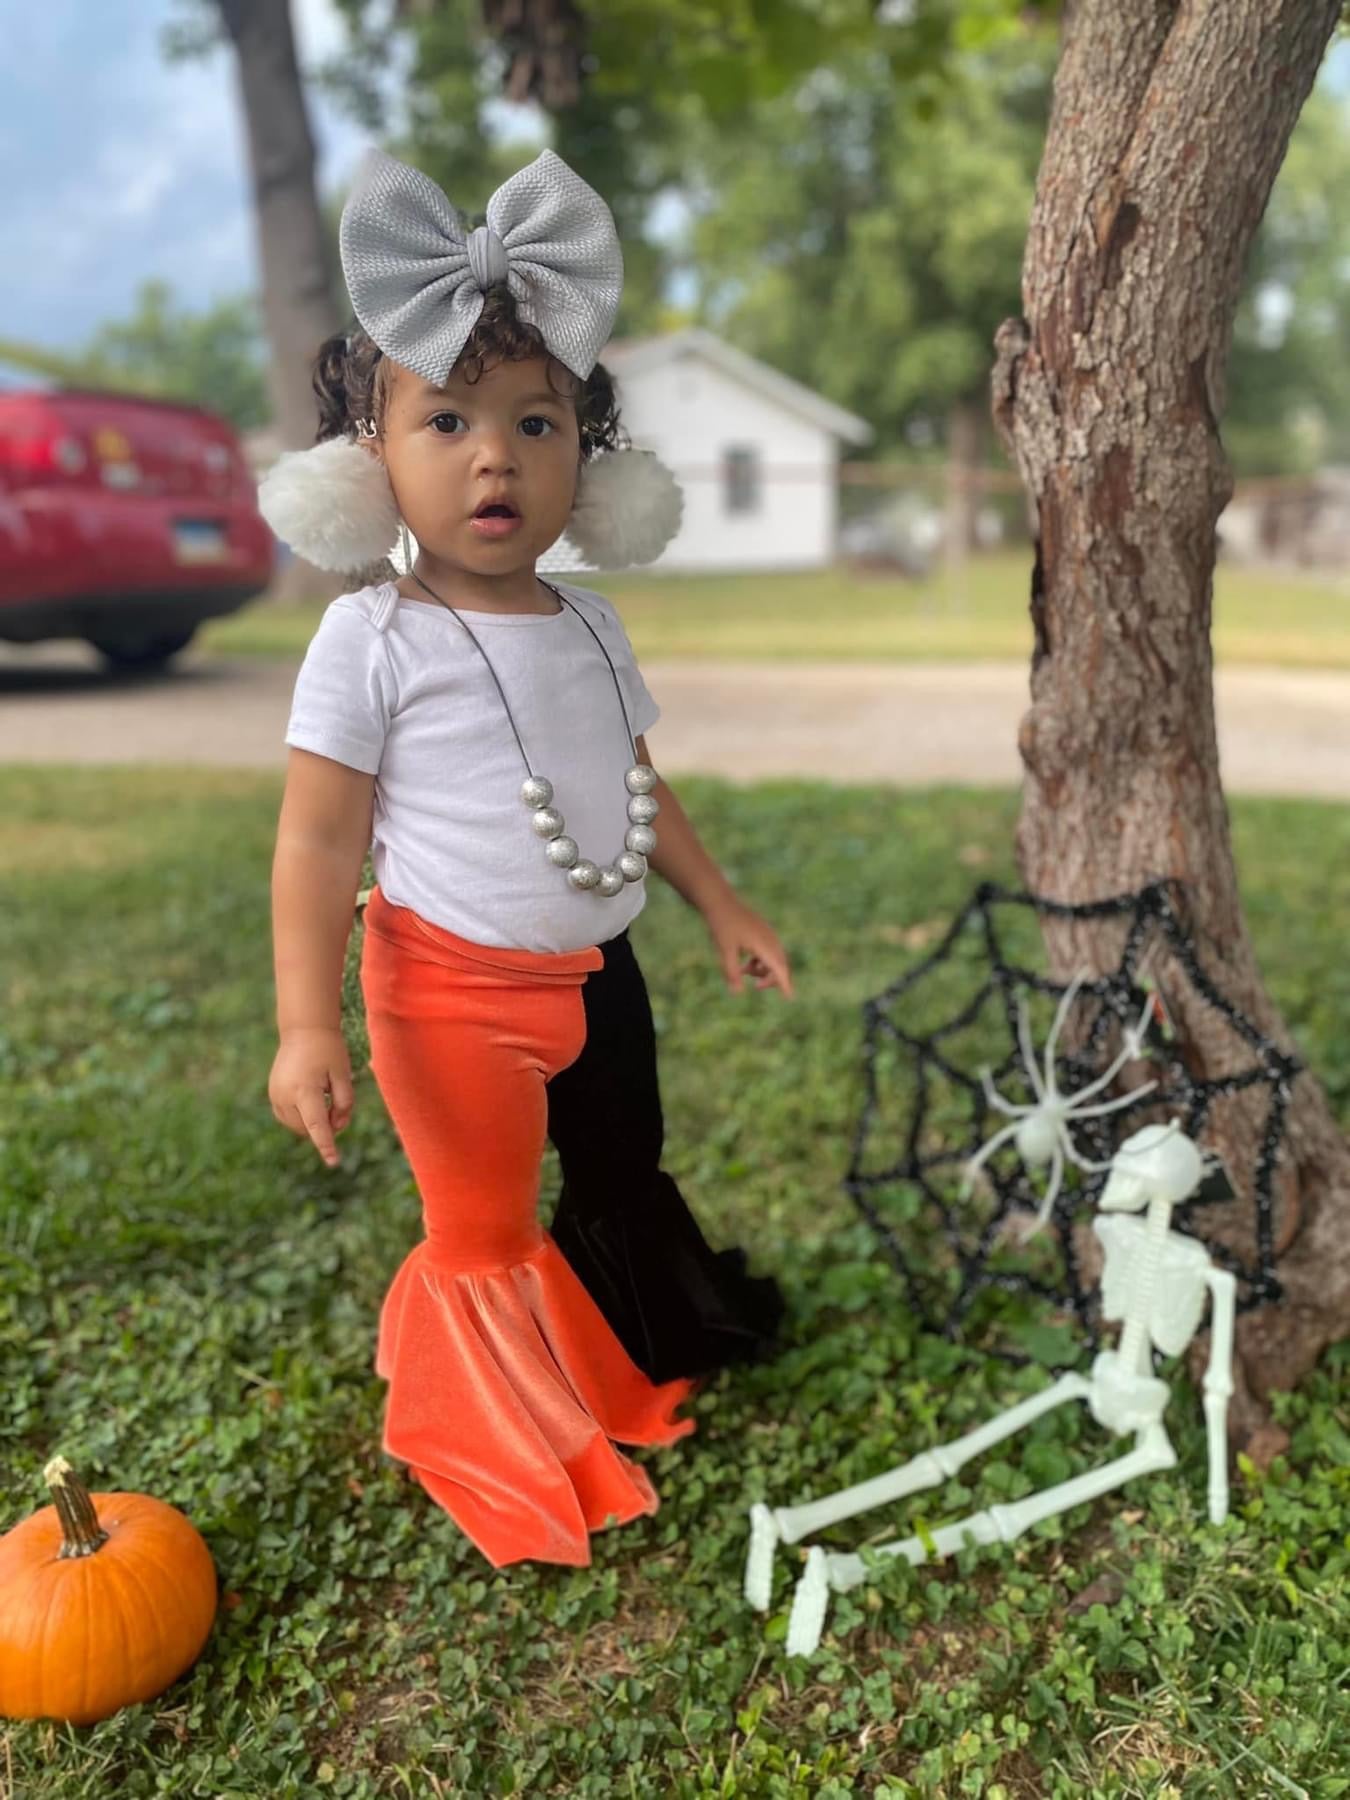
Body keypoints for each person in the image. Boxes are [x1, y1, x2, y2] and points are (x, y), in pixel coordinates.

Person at [262, 147, 791, 1570]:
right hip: (446, 998)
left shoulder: (591, 627)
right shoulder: (369, 638)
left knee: (622, 1159)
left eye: (536, 421)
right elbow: (316, 842)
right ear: (366, 465)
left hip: (597, 969)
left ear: (587, 466)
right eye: (445, 420)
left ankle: (623, 1339)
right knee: (483, 1228)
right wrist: (306, 1022)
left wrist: (720, 902)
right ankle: (498, 1429)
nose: (494, 454)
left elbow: (632, 781)